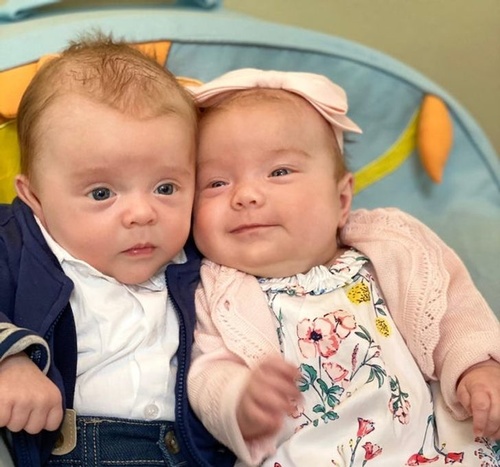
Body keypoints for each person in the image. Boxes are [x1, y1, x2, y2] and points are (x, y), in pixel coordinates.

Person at [187, 68, 500, 466]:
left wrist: (478, 367)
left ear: (341, 200)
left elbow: (452, 312)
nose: (246, 195)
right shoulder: (216, 293)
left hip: (428, 449)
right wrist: (239, 400)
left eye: (279, 172)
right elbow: (207, 372)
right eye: (215, 183)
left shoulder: (387, 249)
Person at [0, 35, 235, 467]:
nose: (142, 213)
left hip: (190, 451)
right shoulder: (14, 243)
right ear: (35, 198)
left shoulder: (205, 255)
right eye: (101, 193)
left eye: (166, 188)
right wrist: (9, 360)